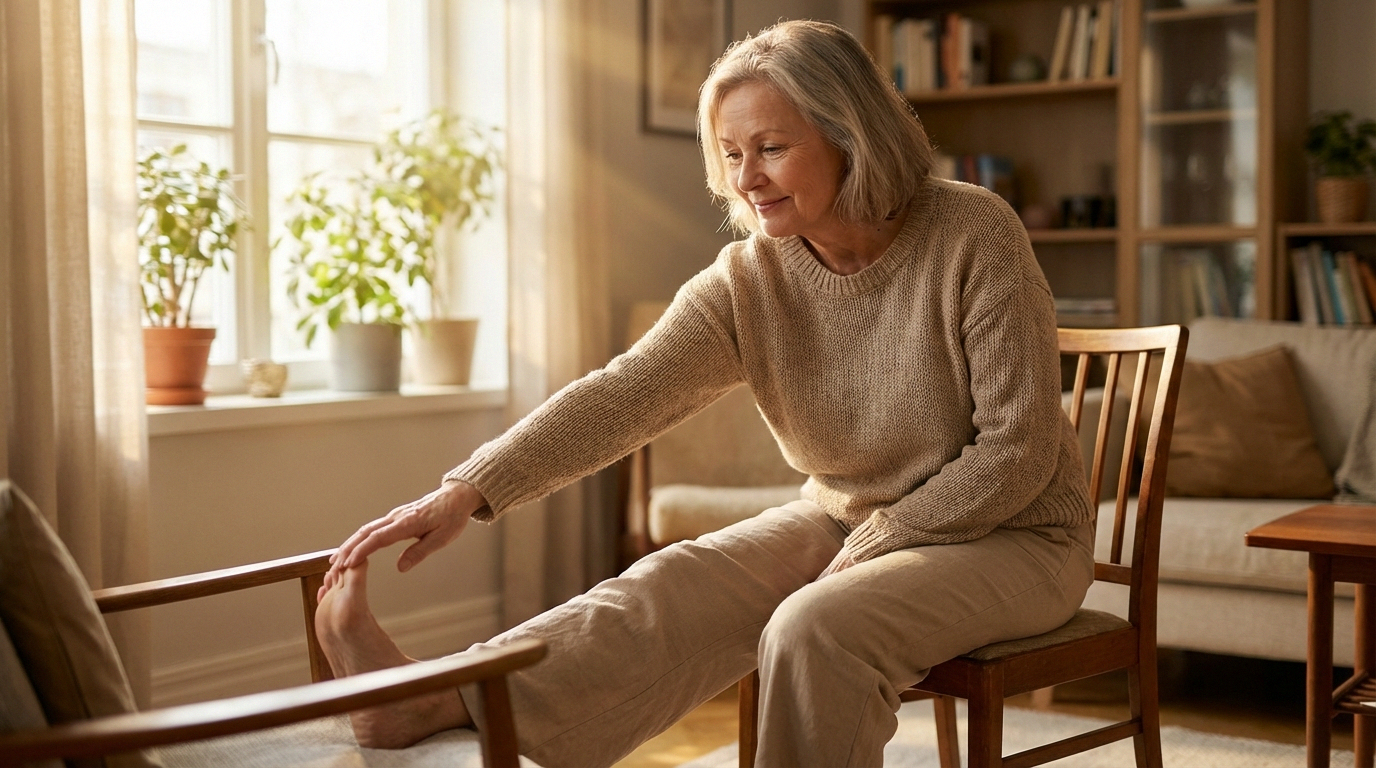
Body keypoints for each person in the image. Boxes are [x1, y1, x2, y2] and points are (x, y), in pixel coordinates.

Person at [315, 19, 1096, 767]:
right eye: (730, 153)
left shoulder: (973, 232)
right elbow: (624, 395)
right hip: (852, 521)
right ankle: (433, 702)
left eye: (771, 148)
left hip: (1018, 538)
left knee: (817, 626)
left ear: (850, 135)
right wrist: (470, 488)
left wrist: (880, 541)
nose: (745, 178)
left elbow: (1017, 451)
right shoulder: (751, 279)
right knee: (668, 584)